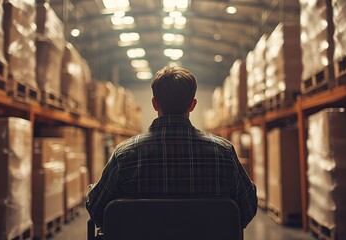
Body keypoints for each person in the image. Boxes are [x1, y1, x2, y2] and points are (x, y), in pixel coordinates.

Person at [86, 66, 257, 229]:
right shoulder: (223, 152)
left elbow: (97, 209)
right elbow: (247, 208)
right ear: (192, 105)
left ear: (154, 104)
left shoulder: (125, 154)